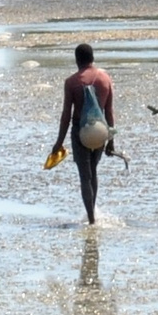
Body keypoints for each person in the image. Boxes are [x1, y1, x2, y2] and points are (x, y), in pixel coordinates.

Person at [49, 42, 116, 225]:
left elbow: (66, 116)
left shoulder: (71, 82)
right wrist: (111, 141)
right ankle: (92, 213)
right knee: (93, 172)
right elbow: (109, 112)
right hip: (100, 131)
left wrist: (59, 142)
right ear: (92, 58)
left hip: (81, 131)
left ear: (77, 60)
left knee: (85, 176)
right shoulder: (105, 79)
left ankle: (92, 219)